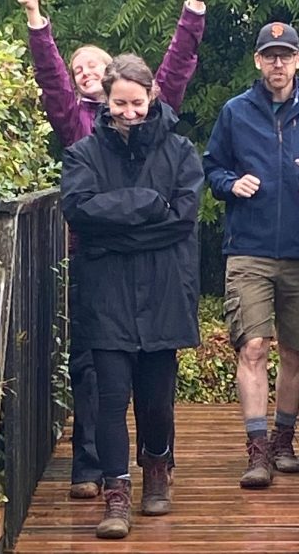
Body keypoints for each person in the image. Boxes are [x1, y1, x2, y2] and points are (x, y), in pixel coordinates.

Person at [17, 0, 213, 498]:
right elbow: (50, 79)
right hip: (100, 271)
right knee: (96, 378)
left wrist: (195, 2)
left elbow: (176, 65)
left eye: (92, 65)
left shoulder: (161, 128)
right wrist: (36, 20)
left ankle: (154, 467)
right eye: (78, 67)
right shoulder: (77, 129)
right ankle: (98, 474)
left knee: (153, 387)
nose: (83, 72)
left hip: (152, 273)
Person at [60, 53, 203, 539]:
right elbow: (79, 211)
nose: (129, 112)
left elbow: (183, 219)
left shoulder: (181, 151)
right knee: (110, 396)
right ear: (106, 99)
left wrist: (115, 231)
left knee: (157, 399)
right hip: (106, 293)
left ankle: (157, 468)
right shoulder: (83, 154)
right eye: (119, 103)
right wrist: (146, 203)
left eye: (137, 103)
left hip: (164, 290)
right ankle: (116, 493)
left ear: (152, 95)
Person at [203, 21, 299, 489]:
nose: (278, 63)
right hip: (249, 248)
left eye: (286, 55)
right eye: (270, 55)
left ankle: (284, 439)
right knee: (253, 346)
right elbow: (212, 169)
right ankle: (257, 448)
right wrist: (232, 184)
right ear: (258, 61)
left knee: (293, 349)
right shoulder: (235, 112)